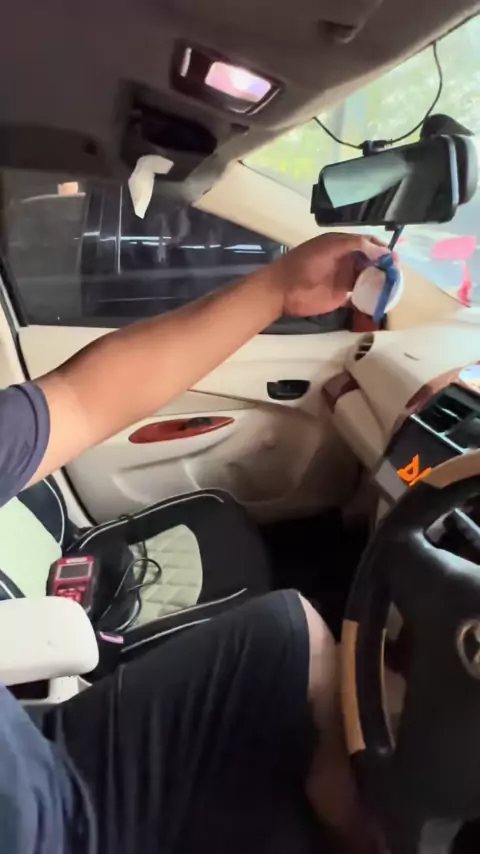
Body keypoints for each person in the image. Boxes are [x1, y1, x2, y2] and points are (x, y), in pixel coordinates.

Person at [0, 232, 388, 854]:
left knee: (293, 637)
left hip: (42, 759)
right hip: (50, 834)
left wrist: (276, 289)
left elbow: (81, 398)